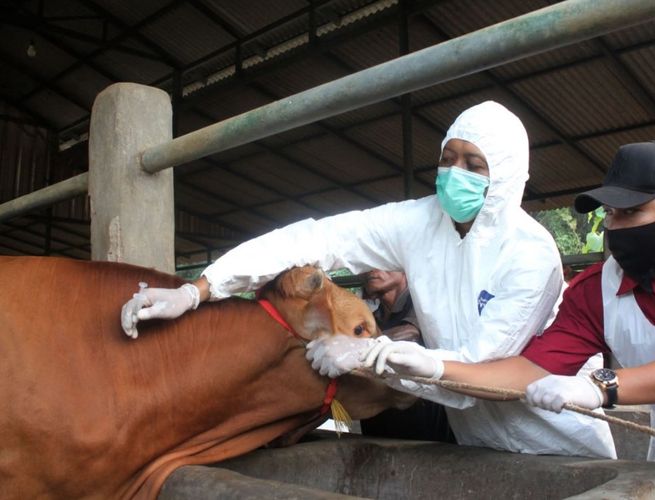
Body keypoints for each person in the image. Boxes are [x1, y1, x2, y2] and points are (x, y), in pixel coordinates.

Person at [121, 101, 615, 458]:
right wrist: (200, 289)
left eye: (473, 164)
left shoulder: (531, 254)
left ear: (505, 175)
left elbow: (477, 373)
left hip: (558, 443)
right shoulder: (422, 222)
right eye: (448, 158)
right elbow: (319, 236)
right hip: (477, 448)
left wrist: (371, 357)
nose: (453, 173)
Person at [346, 141, 655, 468]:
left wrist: (600, 387)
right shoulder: (596, 290)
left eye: (631, 213)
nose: (614, 228)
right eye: (610, 214)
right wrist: (435, 367)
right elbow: (528, 371)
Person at [359, 270, 455, 443]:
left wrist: (351, 347)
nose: (372, 269)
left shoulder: (424, 304)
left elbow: (409, 334)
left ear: (404, 266)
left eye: (381, 260)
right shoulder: (370, 318)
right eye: (366, 264)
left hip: (429, 434)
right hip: (379, 434)